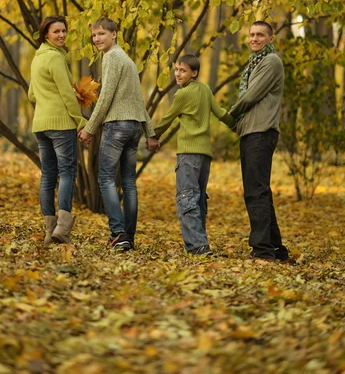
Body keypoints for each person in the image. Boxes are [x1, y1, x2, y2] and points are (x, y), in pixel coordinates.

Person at [78, 18, 159, 252]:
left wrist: (90, 127)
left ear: (114, 34)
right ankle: (128, 237)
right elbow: (139, 102)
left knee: (105, 178)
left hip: (117, 127)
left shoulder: (112, 57)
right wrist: (149, 132)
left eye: (102, 34)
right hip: (133, 127)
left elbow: (105, 97)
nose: (97, 39)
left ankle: (118, 233)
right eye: (94, 36)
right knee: (129, 183)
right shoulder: (128, 61)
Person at [152, 54, 235, 256]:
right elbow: (221, 113)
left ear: (194, 73)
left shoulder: (182, 95)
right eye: (176, 70)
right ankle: (200, 241)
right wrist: (238, 126)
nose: (178, 74)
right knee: (198, 199)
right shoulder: (205, 89)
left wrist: (153, 135)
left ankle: (198, 245)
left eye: (183, 71)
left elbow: (167, 118)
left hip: (188, 154)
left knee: (186, 197)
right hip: (205, 155)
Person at [229, 20, 289, 262]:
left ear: (270, 38)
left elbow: (251, 95)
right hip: (252, 132)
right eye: (252, 34)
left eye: (260, 35)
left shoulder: (271, 62)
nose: (254, 38)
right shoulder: (256, 63)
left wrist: (229, 115)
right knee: (260, 191)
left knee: (256, 192)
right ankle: (276, 249)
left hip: (261, 133)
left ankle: (262, 251)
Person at [28, 15, 87, 246]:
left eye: (64, 31)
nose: (62, 35)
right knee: (67, 172)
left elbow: (32, 94)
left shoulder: (37, 58)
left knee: (48, 175)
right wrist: (79, 120)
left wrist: (45, 98)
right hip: (61, 124)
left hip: (41, 124)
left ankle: (49, 231)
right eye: (56, 32)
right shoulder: (54, 58)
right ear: (46, 34)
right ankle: (62, 228)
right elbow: (66, 94)